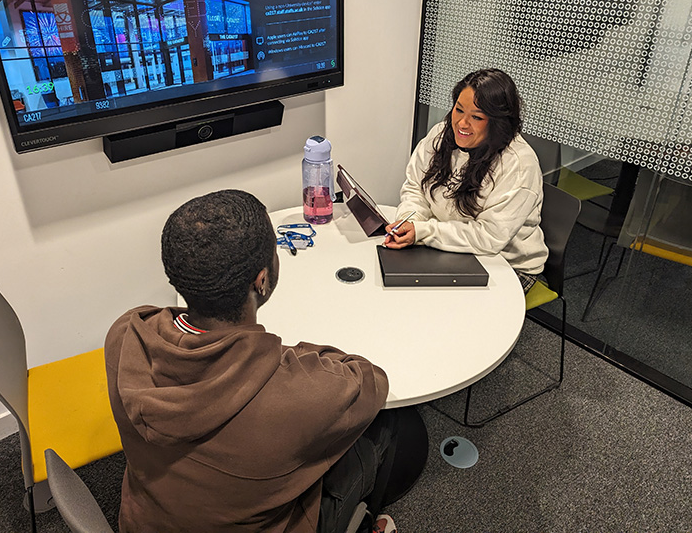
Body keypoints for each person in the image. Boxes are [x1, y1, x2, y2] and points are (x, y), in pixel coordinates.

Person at [104, 189, 398, 533]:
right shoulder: (301, 394)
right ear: (262, 280)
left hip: (148, 519)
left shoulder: (126, 333)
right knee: (389, 424)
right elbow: (370, 379)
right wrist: (286, 353)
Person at [384, 68, 548, 292]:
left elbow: (489, 237)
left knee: (442, 312)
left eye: (477, 117)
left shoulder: (519, 164)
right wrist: (408, 222)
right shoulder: (441, 134)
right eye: (458, 110)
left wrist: (424, 232)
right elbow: (416, 188)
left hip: (505, 264)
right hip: (449, 243)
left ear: (499, 122)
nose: (462, 123)